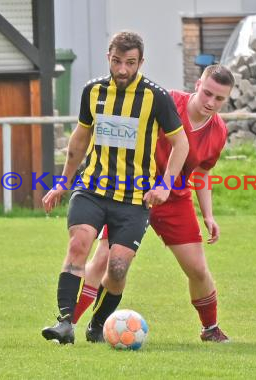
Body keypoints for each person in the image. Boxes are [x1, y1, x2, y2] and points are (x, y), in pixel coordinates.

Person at [41, 31, 189, 344]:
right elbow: (79, 140)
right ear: (108, 57)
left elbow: (181, 144)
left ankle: (98, 323)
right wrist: (61, 183)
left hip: (134, 199)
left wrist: (164, 185)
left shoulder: (155, 97)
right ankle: (65, 324)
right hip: (92, 189)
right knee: (78, 245)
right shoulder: (92, 91)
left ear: (141, 62)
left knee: (118, 268)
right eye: (117, 61)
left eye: (130, 63)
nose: (123, 69)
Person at [71, 64, 235, 343]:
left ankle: (210, 329)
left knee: (197, 268)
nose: (210, 102)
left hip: (175, 199)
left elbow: (202, 174)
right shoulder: (166, 101)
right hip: (132, 193)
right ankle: (70, 325)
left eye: (219, 98)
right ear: (197, 85)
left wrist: (208, 214)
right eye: (207, 93)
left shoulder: (218, 131)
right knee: (106, 261)